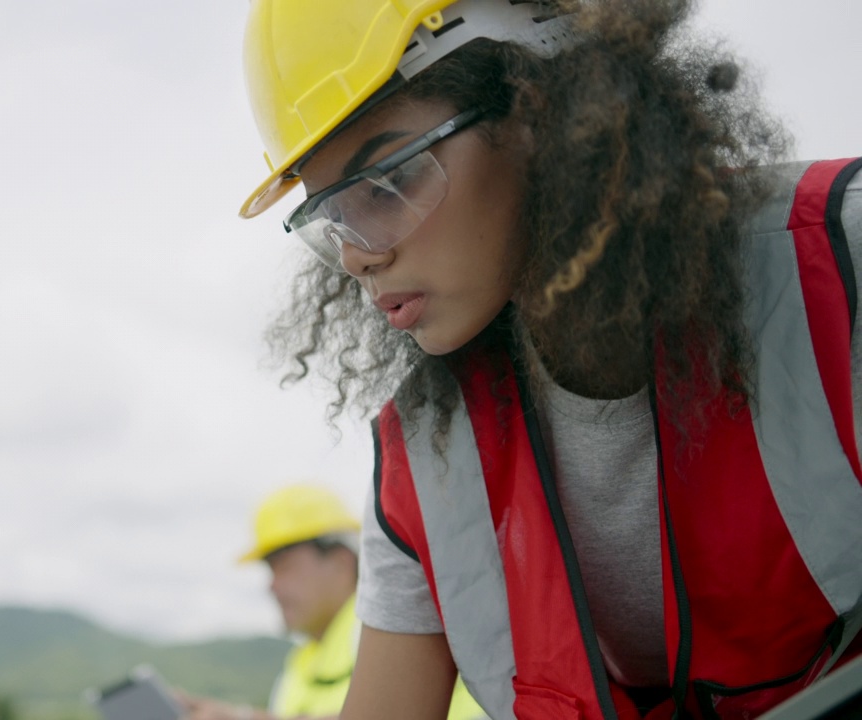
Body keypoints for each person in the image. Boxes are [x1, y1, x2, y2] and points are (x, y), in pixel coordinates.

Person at [235, 1, 862, 719]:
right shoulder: (425, 460)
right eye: (332, 216)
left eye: (386, 181)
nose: (355, 254)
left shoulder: (841, 267)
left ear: (540, 109)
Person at [179, 484, 485, 720]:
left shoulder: (404, 629)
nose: (271, 585)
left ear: (340, 561)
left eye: (282, 565)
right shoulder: (299, 666)